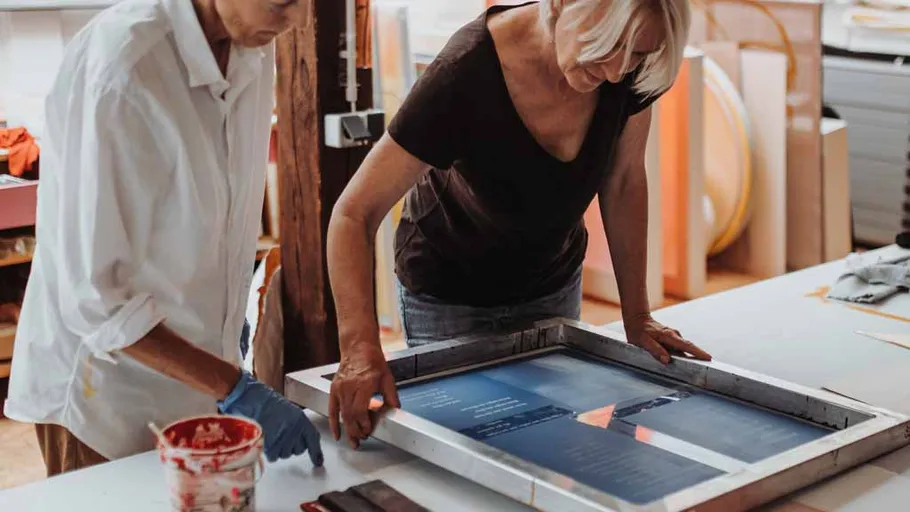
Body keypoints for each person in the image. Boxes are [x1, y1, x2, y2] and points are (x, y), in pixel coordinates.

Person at [326, 0, 714, 448]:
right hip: (451, 292)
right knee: (469, 449)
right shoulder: (464, 71)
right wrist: (359, 348)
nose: (616, 71)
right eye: (608, 46)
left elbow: (624, 181)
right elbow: (354, 213)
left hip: (551, 282)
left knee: (550, 441)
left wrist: (637, 315)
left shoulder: (627, 72)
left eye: (637, 53)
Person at [5, 0, 323, 476]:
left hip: (194, 381)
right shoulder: (124, 67)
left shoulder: (248, 52)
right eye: (282, 3)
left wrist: (223, 321)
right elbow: (95, 299)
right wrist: (233, 385)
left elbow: (212, 214)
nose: (296, 21)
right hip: (103, 398)